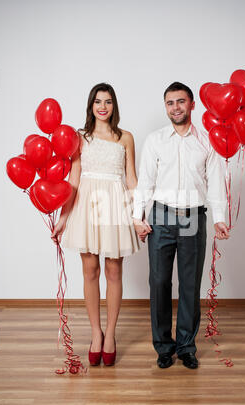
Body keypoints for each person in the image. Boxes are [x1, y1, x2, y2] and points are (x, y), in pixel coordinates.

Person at [133, 82, 229, 370]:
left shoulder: (206, 141)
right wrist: (138, 217)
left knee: (189, 285)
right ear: (166, 107)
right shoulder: (155, 140)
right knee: (159, 282)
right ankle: (163, 347)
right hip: (161, 216)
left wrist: (219, 217)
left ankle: (186, 346)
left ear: (192, 105)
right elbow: (146, 181)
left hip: (193, 216)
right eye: (170, 102)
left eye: (180, 101)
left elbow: (215, 182)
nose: (175, 107)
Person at [51, 83, 140, 367]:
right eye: (98, 101)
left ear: (114, 106)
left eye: (109, 102)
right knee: (90, 270)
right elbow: (74, 179)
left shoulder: (125, 137)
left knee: (114, 270)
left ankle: (111, 334)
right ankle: (95, 333)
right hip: (86, 206)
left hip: (115, 205)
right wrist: (63, 218)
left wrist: (138, 216)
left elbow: (132, 180)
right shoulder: (80, 137)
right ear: (91, 105)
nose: (103, 106)